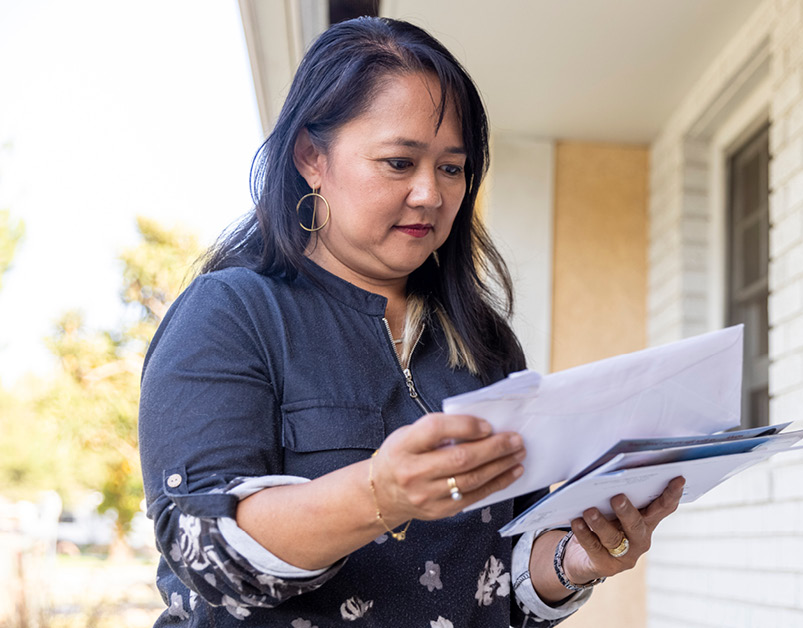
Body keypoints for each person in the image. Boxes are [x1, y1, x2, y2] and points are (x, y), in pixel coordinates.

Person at [138, 16, 685, 628]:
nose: (430, 193)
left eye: (452, 169)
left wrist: (574, 560)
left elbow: (498, 577)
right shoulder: (234, 312)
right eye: (400, 163)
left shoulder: (485, 344)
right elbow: (201, 551)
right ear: (311, 157)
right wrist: (380, 494)